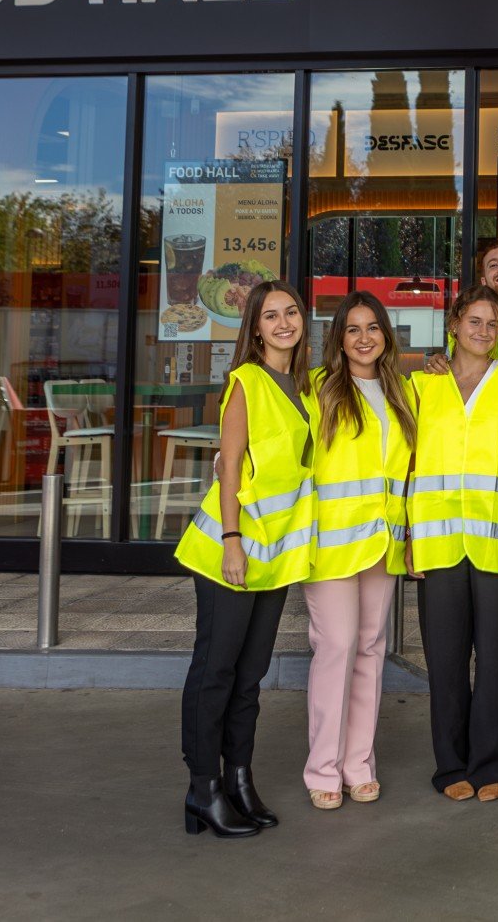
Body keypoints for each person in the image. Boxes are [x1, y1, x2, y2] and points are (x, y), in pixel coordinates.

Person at [174, 281, 316, 838]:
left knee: (249, 676)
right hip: (229, 554)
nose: (284, 323)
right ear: (254, 328)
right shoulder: (246, 383)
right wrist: (231, 538)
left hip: (272, 557)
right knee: (216, 671)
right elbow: (229, 464)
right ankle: (201, 788)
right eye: (271, 316)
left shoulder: (304, 383)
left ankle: (238, 778)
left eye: (292, 313)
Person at [407, 285, 498, 803]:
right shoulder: (421, 384)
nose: (483, 332)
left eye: (493, 323)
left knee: (497, 656)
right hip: (438, 540)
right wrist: (411, 535)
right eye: (475, 321)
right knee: (444, 659)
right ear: (455, 323)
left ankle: (496, 761)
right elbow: (411, 464)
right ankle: (452, 764)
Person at [299, 291, 414, 811]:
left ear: (386, 335)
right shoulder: (318, 389)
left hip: (382, 543)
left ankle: (357, 764)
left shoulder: (402, 392)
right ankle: (322, 768)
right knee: (337, 647)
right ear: (339, 338)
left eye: (373, 327)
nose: (364, 337)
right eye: (353, 329)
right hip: (329, 545)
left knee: (370, 648)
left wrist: (410, 537)